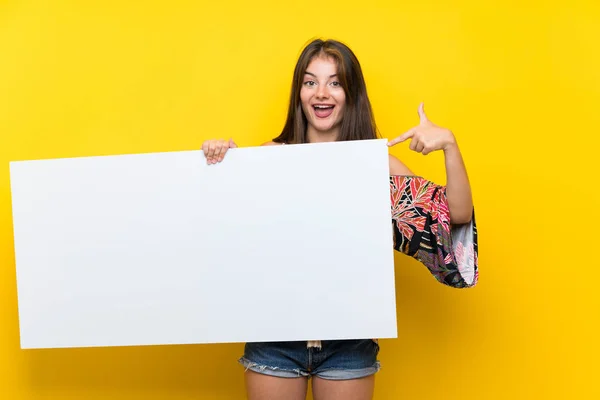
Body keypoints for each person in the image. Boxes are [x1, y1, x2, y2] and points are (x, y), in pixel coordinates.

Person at [201, 38, 476, 400]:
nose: (321, 93)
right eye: (310, 81)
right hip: (275, 335)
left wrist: (449, 145)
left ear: (351, 93)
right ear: (299, 93)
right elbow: (220, 227)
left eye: (335, 82)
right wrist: (223, 164)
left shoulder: (377, 165)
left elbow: (455, 214)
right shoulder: (268, 158)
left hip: (349, 338)